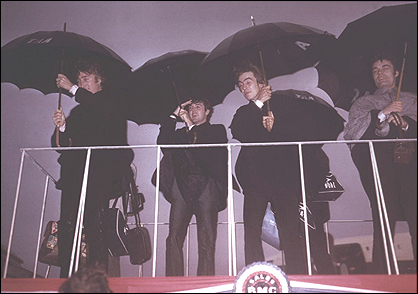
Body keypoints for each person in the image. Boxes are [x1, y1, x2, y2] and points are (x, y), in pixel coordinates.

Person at [230, 61, 341, 274]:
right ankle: (255, 273)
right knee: (252, 230)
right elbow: (240, 131)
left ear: (262, 83)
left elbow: (303, 133)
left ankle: (297, 275)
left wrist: (277, 123)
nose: (244, 87)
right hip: (255, 181)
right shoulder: (244, 112)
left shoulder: (285, 103)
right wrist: (259, 106)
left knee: (290, 231)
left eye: (248, 81)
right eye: (240, 84)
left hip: (284, 181)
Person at [52, 58, 134, 278]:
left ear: (100, 81)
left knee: (95, 226)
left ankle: (97, 279)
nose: (81, 82)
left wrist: (72, 88)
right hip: (73, 176)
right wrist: (62, 127)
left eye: (86, 78)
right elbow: (60, 147)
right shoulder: (78, 112)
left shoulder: (112, 100)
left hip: (99, 175)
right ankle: (67, 277)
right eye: (78, 79)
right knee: (68, 226)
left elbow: (103, 110)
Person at [344, 51, 417, 274]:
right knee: (383, 219)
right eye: (375, 70)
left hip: (410, 169)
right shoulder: (363, 103)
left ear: (396, 72)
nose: (380, 73)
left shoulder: (412, 99)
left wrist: (405, 125)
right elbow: (353, 136)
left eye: (385, 68)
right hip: (380, 170)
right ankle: (381, 275)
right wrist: (382, 117)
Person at [153, 98, 235, 276]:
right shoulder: (179, 134)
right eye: (190, 108)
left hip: (207, 187)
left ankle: (204, 284)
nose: (193, 110)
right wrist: (174, 114)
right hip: (181, 188)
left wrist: (190, 125)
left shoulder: (216, 130)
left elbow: (204, 146)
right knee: (173, 237)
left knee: (206, 239)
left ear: (207, 111)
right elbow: (163, 142)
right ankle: (173, 284)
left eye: (198, 107)